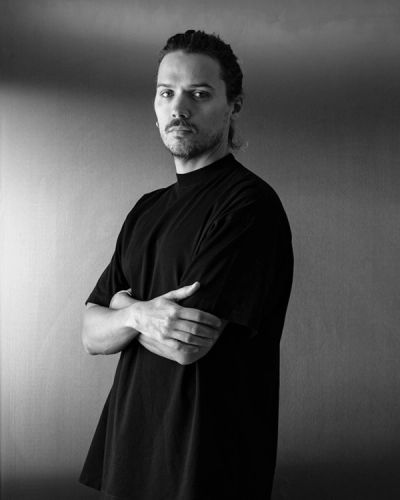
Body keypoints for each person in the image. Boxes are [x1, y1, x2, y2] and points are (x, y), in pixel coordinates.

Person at [79, 29, 293, 500]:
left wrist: (121, 306)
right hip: (131, 454)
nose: (179, 108)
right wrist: (139, 314)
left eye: (199, 93)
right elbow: (90, 335)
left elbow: (184, 345)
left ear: (233, 105)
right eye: (166, 93)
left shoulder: (248, 205)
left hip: (207, 467)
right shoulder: (146, 209)